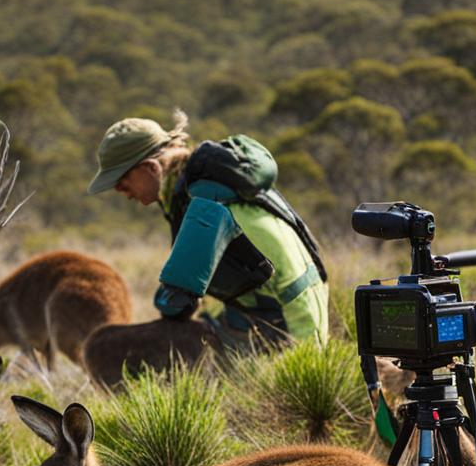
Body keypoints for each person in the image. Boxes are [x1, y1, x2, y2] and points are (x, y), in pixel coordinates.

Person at [88, 112, 329, 351]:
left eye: (121, 181)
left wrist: (309, 357)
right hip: (265, 314)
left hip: (296, 327)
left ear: (150, 168)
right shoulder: (194, 191)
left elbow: (175, 302)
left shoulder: (207, 201)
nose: (122, 191)